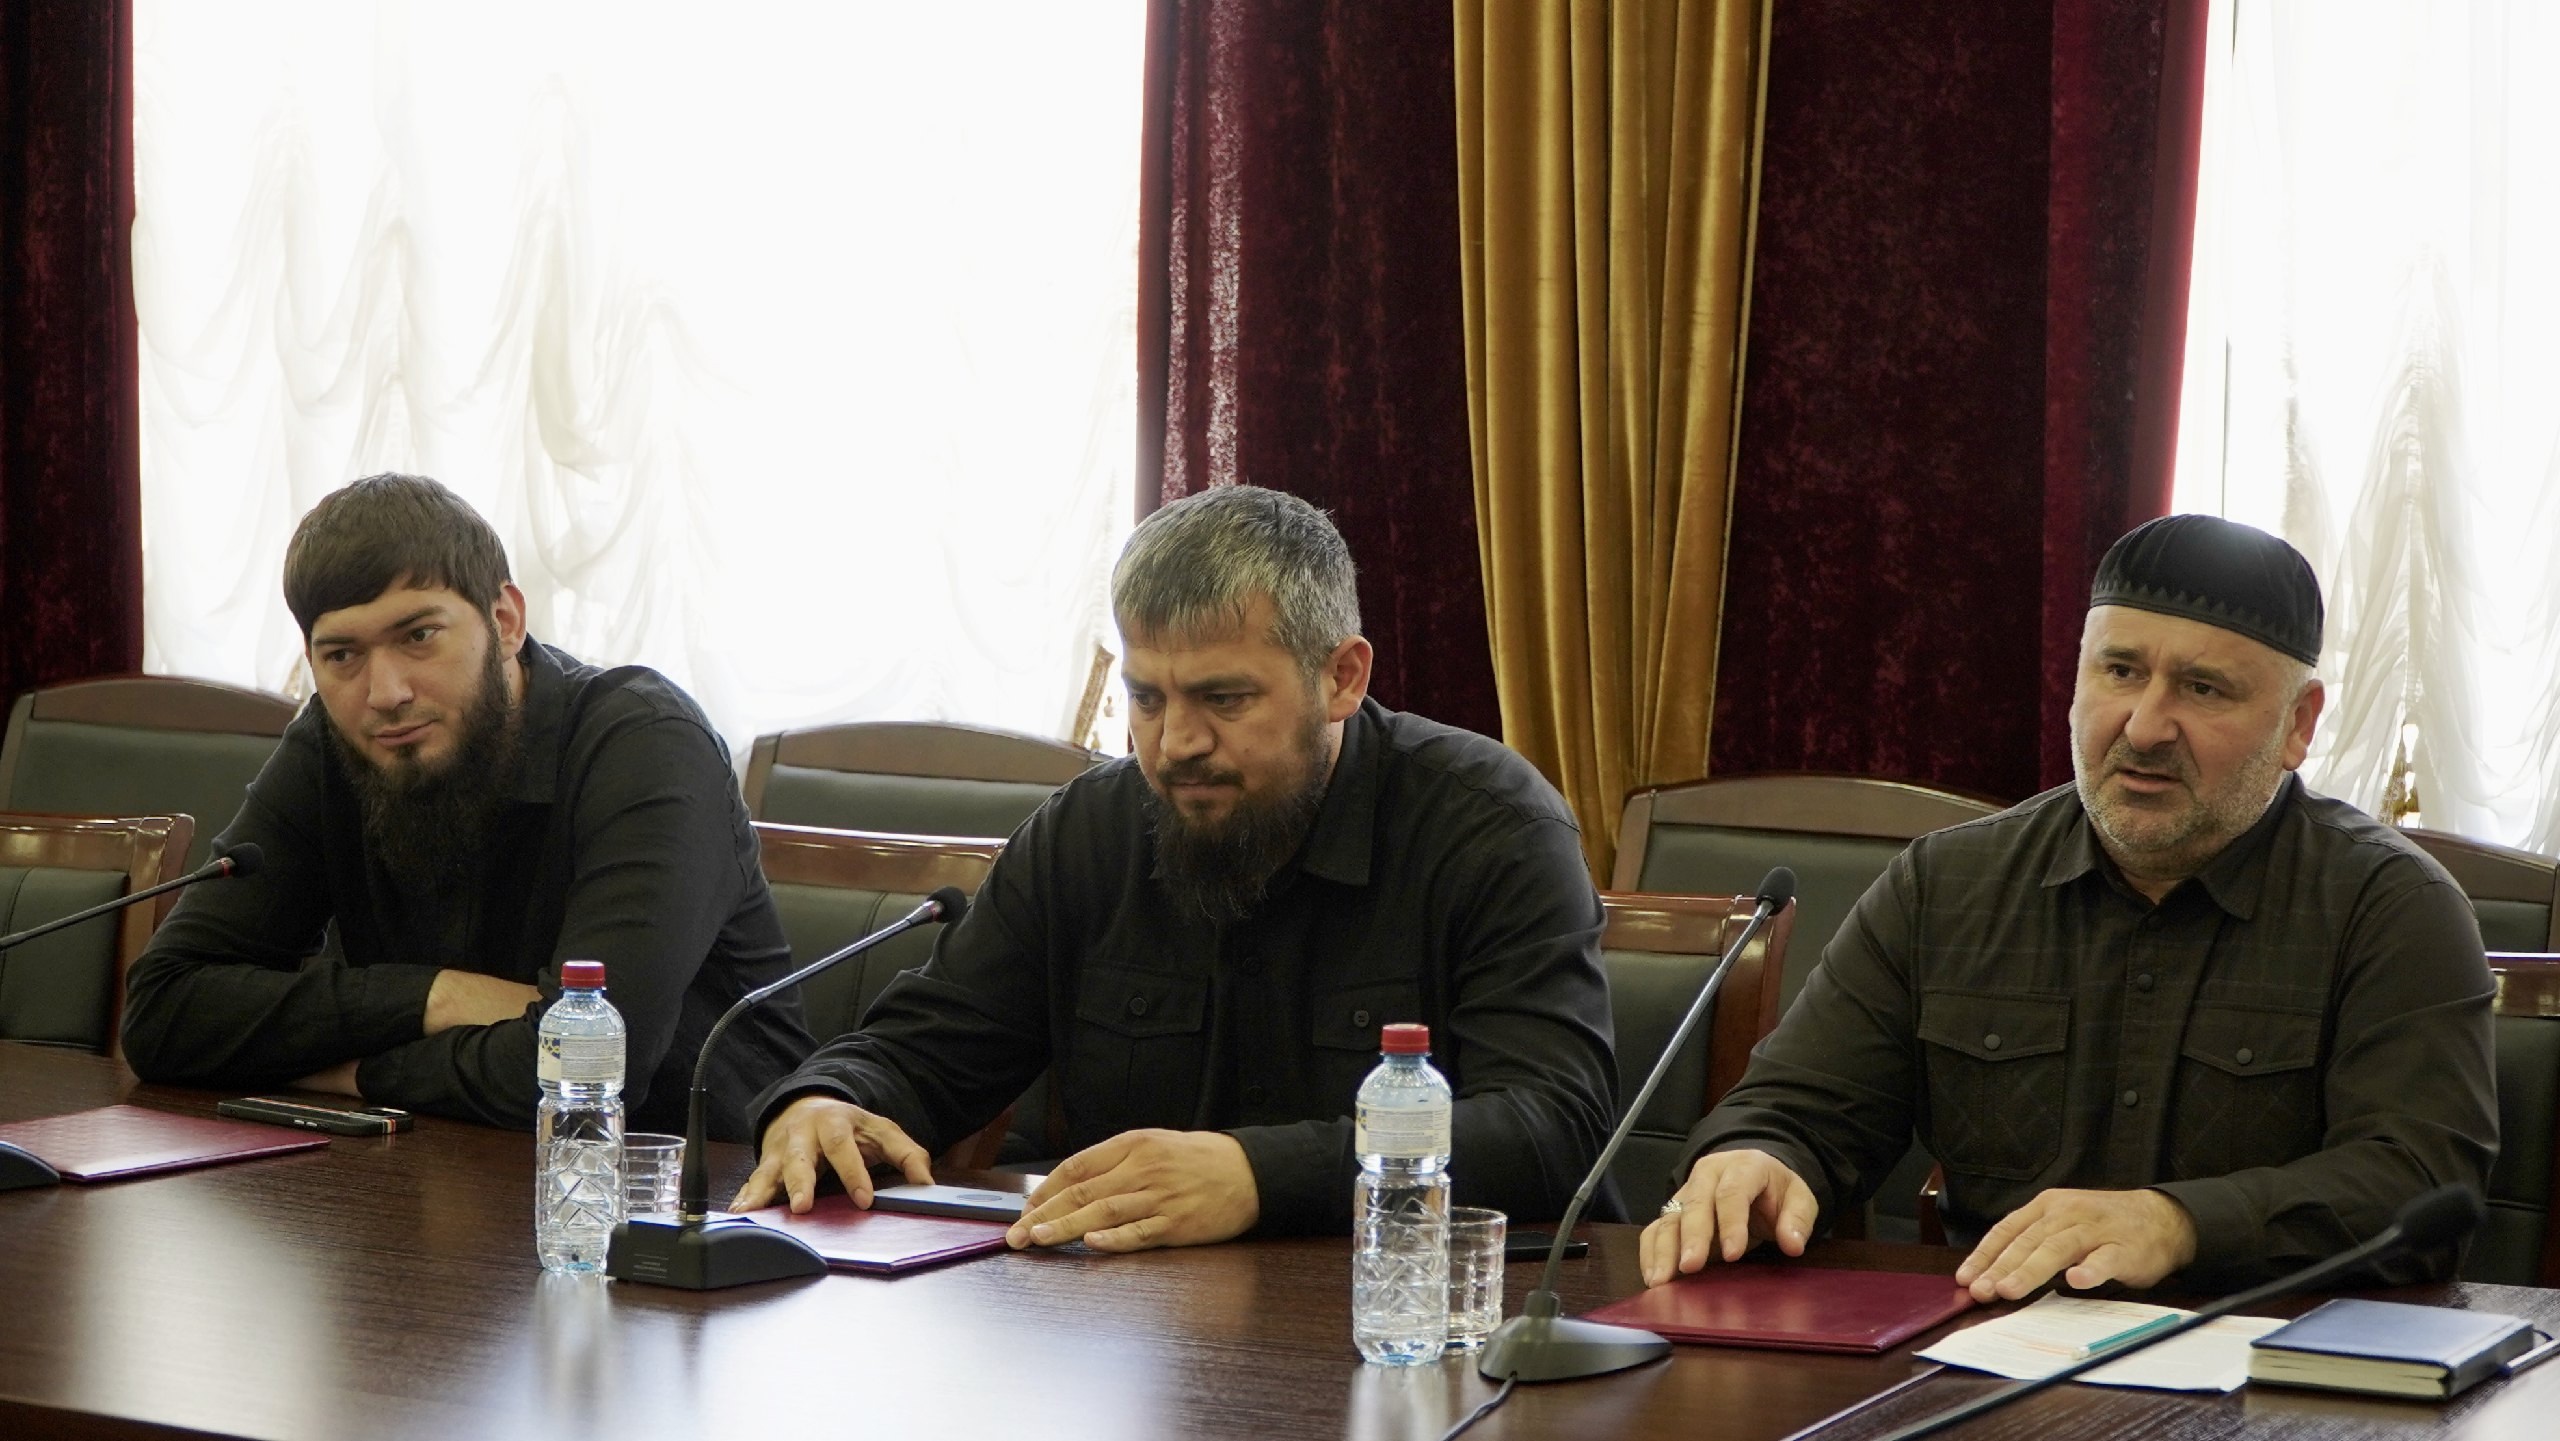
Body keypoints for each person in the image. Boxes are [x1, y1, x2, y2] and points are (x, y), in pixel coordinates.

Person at [733, 485, 1618, 1252]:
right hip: (1140, 1328)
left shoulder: (1491, 828)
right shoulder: (1091, 829)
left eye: (1223, 698)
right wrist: (825, 1100)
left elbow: (1552, 1127)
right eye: (1147, 698)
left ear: (1341, 678)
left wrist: (1258, 1175)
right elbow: (930, 1049)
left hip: (1423, 1317)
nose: (1176, 743)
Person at [1643, 514, 2497, 1298]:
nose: (2145, 726)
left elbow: (2420, 1182)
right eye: (2120, 671)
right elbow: (1798, 1108)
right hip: (1986, 1355)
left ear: (2298, 725)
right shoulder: (1947, 885)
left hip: (2272, 1365)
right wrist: (1755, 1159)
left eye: (2203, 688)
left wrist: (2180, 1222)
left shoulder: (2393, 909)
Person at [121, 474, 810, 1140]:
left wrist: (353, 1072)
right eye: (342, 655)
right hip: (423, 1173)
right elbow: (162, 1014)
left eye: (419, 636)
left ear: (504, 622)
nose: (385, 692)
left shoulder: (646, 742)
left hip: (697, 1184)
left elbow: (591, 1067)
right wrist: (438, 996)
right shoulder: (335, 742)